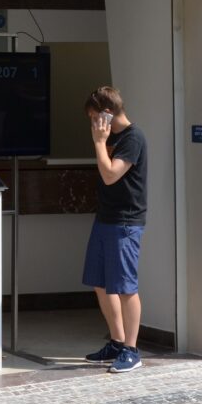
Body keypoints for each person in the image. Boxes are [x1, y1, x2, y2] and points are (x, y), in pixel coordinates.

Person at [80, 86, 148, 374]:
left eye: (94, 117)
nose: (92, 123)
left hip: (125, 221)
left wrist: (98, 142)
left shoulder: (132, 138)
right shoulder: (116, 137)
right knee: (101, 282)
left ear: (106, 114)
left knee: (124, 287)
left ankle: (132, 350)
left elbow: (110, 175)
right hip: (105, 218)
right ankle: (117, 342)